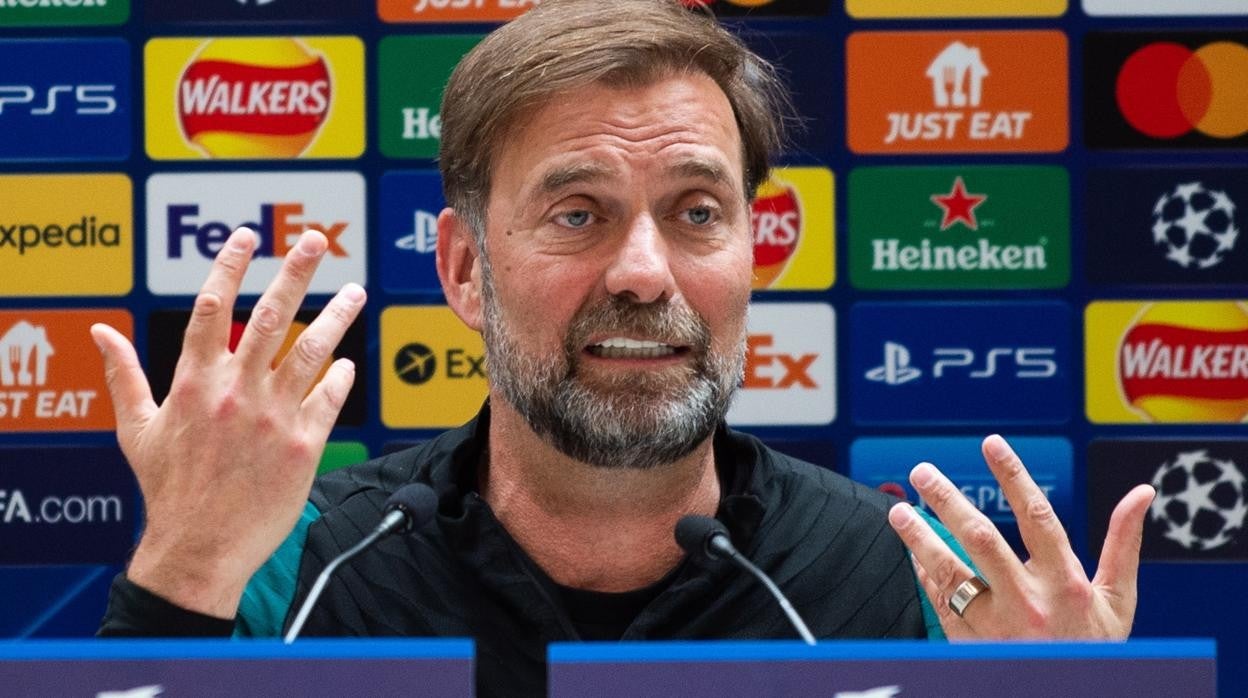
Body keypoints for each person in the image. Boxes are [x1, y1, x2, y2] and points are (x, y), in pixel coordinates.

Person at [93, 1, 1156, 695]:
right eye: (577, 214)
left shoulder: (913, 585)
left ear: (752, 251)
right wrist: (183, 568)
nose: (644, 272)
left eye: (697, 212)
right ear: (464, 269)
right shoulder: (289, 564)